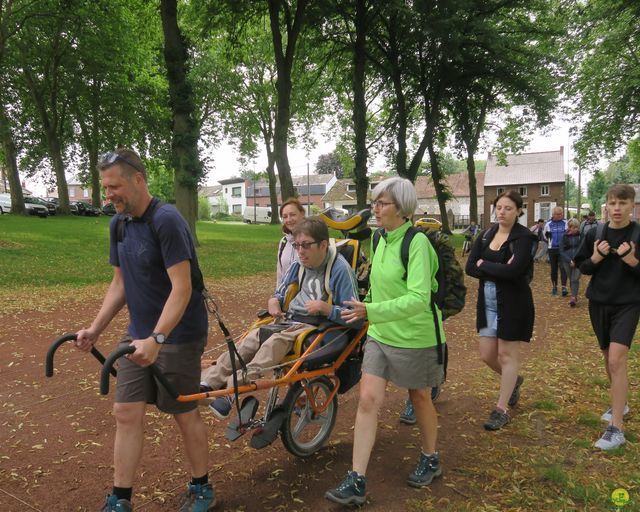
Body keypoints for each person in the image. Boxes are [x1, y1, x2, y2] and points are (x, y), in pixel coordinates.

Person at [74, 149, 213, 512]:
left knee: (184, 413)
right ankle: (120, 499)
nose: (109, 196)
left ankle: (202, 488)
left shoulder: (166, 220)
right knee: (125, 412)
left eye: (115, 186)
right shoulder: (118, 224)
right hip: (137, 333)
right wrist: (95, 329)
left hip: (178, 335)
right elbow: (119, 283)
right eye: (106, 189)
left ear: (139, 179)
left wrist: (159, 339)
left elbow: (181, 288)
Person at [325, 177, 445, 506]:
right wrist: (368, 314)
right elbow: (378, 285)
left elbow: (420, 299)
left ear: (402, 208)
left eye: (382, 203)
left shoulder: (418, 243)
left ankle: (431, 457)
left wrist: (372, 309)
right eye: (375, 202)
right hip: (380, 332)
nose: (375, 209)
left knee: (419, 397)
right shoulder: (379, 238)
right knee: (367, 399)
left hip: (415, 335)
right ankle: (357, 479)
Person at [201, 217, 360, 418]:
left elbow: (355, 318)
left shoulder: (341, 270)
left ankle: (232, 392)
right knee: (249, 341)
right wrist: (274, 301)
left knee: (273, 344)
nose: (300, 251)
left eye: (306, 245)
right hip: (290, 319)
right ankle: (209, 382)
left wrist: (327, 309)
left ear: (323, 245)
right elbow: (281, 292)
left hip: (318, 325)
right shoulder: (298, 264)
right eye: (297, 245)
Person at [573, 184, 640, 450]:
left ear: (632, 206)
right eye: (612, 203)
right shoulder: (595, 232)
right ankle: (620, 405)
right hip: (599, 302)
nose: (616, 209)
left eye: (622, 204)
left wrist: (632, 260)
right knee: (607, 357)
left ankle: (616, 430)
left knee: (616, 359)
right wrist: (597, 256)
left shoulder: (638, 234)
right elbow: (582, 265)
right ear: (606, 205)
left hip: (628, 304)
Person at [465, 190, 536, 431]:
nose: (502, 212)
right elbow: (469, 267)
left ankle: (501, 409)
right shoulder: (486, 235)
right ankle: (514, 380)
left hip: (514, 304)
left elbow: (515, 270)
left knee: (507, 355)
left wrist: (484, 264)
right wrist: (495, 267)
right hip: (487, 304)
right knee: (487, 354)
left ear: (518, 211)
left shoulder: (524, 238)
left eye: (508, 208)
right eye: (499, 207)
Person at [276, 198, 306, 286]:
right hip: (286, 296)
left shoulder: (312, 241)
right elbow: (280, 274)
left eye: (292, 215)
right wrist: (277, 295)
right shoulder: (283, 242)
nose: (289, 220)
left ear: (302, 214)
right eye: (285, 217)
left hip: (306, 297)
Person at [544, 207, 568, 295]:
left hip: (562, 249)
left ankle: (564, 287)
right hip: (552, 249)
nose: (559, 216)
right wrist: (551, 242)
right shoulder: (548, 224)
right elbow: (545, 236)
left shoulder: (566, 223)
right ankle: (554, 286)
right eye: (557, 214)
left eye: (561, 214)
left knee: (563, 268)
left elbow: (568, 235)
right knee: (553, 269)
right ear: (553, 214)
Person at [559, 218, 582, 307]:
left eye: (576, 227)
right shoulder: (564, 236)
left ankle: (573, 297)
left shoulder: (581, 236)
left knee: (574, 279)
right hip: (567, 261)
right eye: (573, 227)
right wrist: (569, 260)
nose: (575, 229)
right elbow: (561, 251)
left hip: (578, 261)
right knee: (571, 278)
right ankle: (574, 296)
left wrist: (576, 260)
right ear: (569, 227)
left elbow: (582, 248)